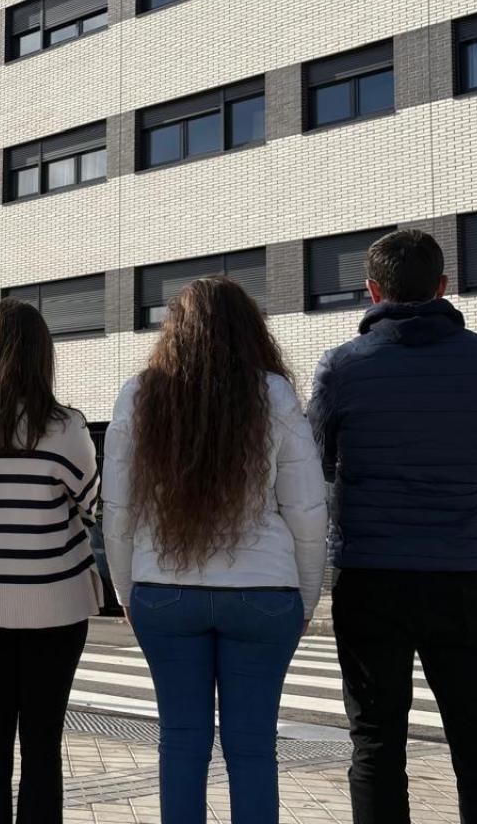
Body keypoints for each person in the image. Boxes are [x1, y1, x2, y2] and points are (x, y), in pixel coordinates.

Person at [308, 229, 477, 824]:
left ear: (371, 290)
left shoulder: (343, 366)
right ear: (443, 286)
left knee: (375, 741)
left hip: (372, 575)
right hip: (462, 572)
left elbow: (311, 462)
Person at [103, 277, 326, 824]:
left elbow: (118, 509)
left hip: (164, 591)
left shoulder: (139, 393)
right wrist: (307, 596)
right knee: (252, 749)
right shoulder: (272, 393)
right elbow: (306, 510)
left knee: (181, 742)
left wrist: (126, 590)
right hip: (263, 593)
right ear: (249, 330)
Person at [0, 298, 99, 824]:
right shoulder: (68, 428)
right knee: (42, 745)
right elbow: (92, 505)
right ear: (42, 357)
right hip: (56, 607)